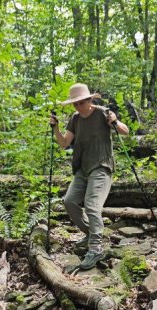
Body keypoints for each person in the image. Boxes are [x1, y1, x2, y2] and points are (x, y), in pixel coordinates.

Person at [50, 83, 129, 270]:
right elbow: (64, 143)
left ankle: (96, 247)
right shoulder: (75, 119)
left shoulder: (103, 113)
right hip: (82, 169)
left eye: (80, 102)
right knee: (69, 201)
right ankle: (92, 233)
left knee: (92, 205)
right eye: (74, 103)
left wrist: (115, 122)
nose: (77, 106)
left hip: (101, 166)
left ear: (89, 100)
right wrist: (55, 127)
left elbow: (125, 132)